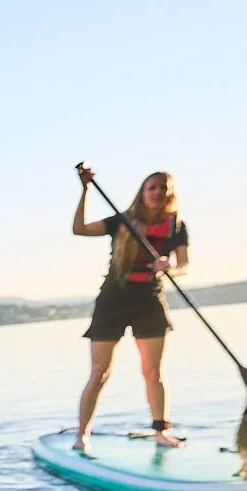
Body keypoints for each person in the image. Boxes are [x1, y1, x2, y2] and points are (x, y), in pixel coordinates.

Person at [71, 164, 189, 449]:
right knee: (100, 372)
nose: (158, 193)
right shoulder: (121, 221)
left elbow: (183, 264)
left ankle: (161, 430)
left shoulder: (176, 225)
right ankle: (82, 434)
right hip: (113, 300)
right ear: (143, 192)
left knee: (153, 372)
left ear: (169, 194)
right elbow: (80, 229)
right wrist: (85, 190)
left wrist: (169, 265)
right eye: (152, 187)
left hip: (148, 300)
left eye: (163, 189)